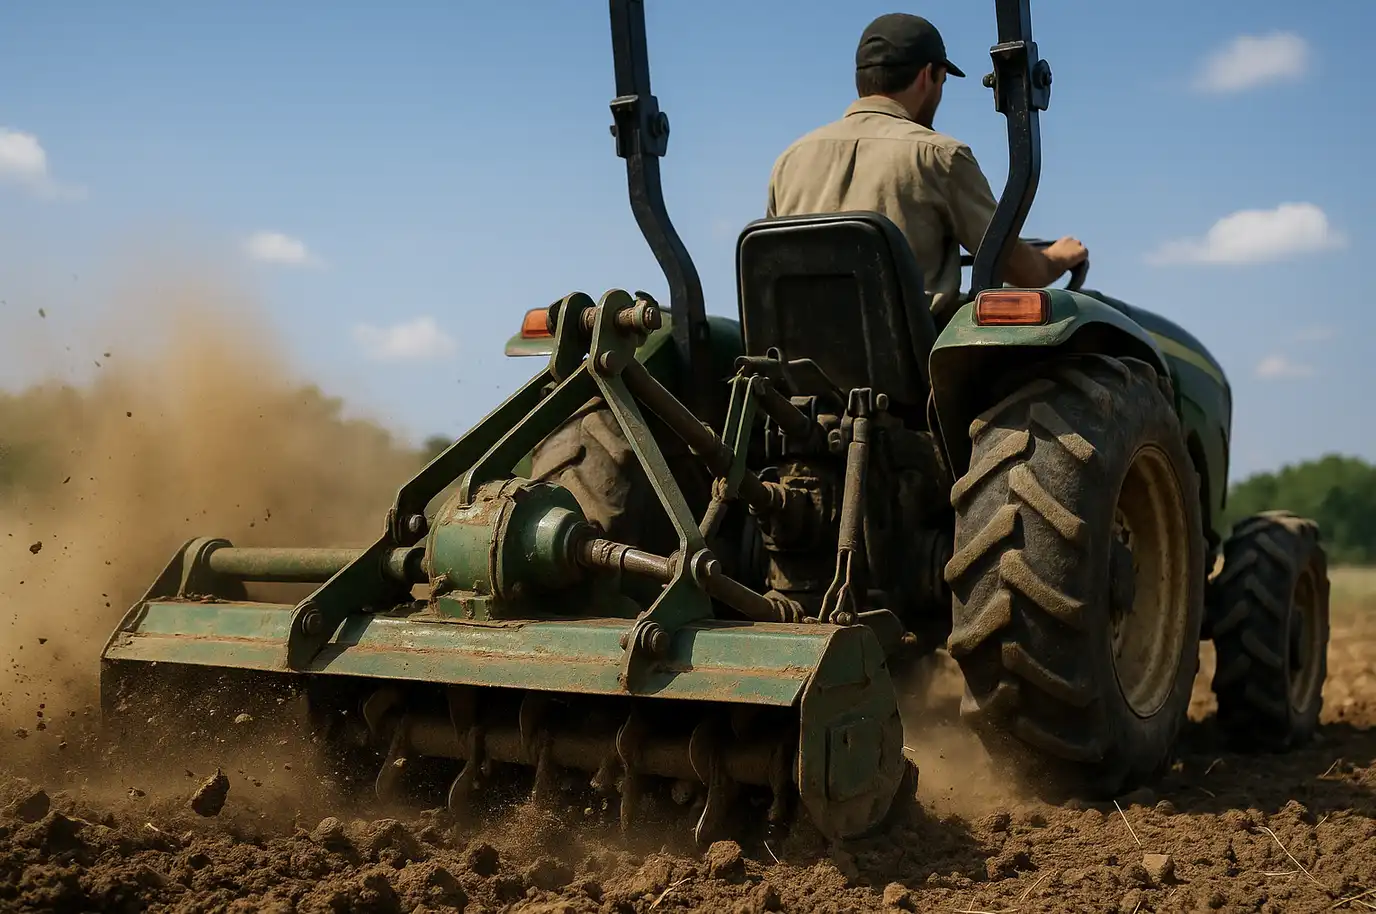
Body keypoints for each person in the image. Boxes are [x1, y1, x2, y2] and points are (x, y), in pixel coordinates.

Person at [766, 12, 1089, 323]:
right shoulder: (940, 156)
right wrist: (1059, 257)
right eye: (942, 81)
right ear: (928, 75)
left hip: (800, 364)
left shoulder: (790, 159)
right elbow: (1023, 272)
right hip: (913, 368)